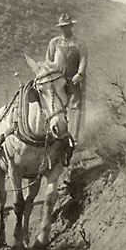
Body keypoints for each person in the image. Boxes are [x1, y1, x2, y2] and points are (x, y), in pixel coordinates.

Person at [45, 13, 88, 164]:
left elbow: (83, 59)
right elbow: (48, 61)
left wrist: (80, 74)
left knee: (74, 107)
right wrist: (51, 74)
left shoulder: (79, 43)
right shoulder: (54, 43)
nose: (65, 29)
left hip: (74, 81)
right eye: (62, 27)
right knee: (58, 108)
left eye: (67, 26)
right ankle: (57, 136)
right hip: (59, 82)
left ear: (72, 26)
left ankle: (73, 139)